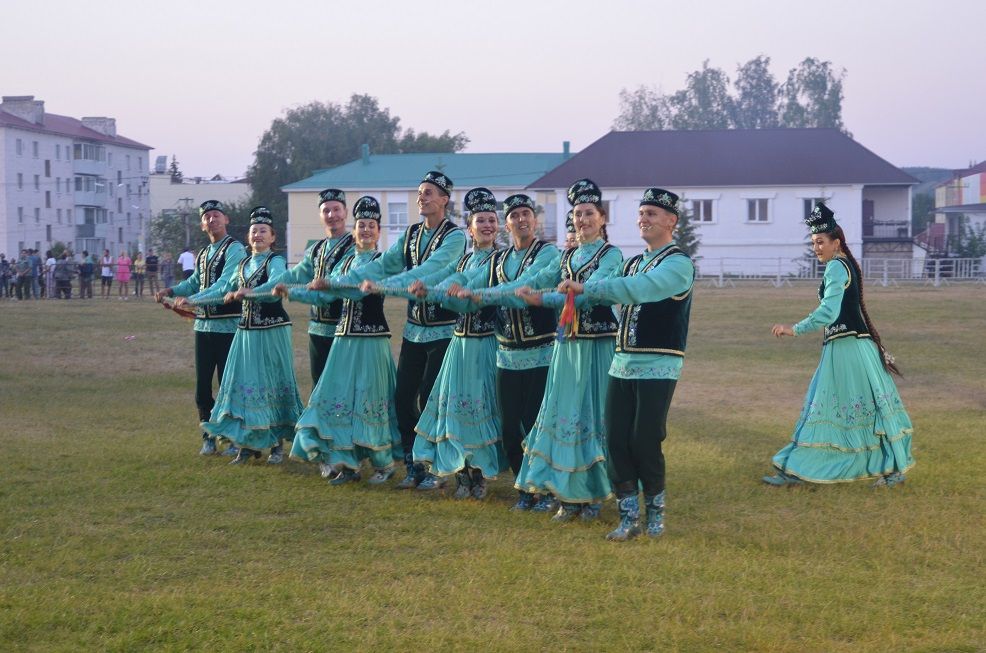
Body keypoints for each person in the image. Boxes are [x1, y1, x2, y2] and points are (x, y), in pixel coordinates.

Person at [560, 187, 695, 541]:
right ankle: (627, 514)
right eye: (641, 213)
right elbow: (603, 284)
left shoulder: (678, 263)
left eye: (652, 214)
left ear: (671, 221)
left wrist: (588, 289)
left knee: (645, 439)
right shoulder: (633, 262)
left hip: (658, 364)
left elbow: (640, 289)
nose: (644, 219)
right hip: (621, 363)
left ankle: (655, 515)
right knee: (616, 439)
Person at [763, 203, 914, 488]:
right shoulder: (844, 265)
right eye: (813, 243)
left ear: (836, 242)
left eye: (820, 242)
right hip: (850, 347)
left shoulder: (836, 266)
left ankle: (799, 469)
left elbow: (828, 312)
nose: (816, 248)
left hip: (848, 350)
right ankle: (802, 469)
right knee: (857, 409)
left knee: (828, 410)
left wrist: (793, 329)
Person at [341, 171, 467, 489]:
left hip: (441, 329)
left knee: (430, 399)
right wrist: (348, 280)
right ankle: (414, 465)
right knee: (402, 398)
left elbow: (431, 269)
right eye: (419, 192)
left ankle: (437, 469)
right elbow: (384, 264)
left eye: (428, 193)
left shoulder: (454, 237)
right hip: (414, 331)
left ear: (444, 199)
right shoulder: (410, 234)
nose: (421, 198)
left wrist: (384, 285)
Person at [513, 179, 622, 521]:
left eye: (589, 213)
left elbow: (599, 291)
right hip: (568, 347)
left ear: (602, 218)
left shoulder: (612, 255)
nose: (582, 219)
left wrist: (547, 297)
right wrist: (503, 292)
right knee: (566, 414)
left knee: (593, 414)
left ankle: (594, 495)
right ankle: (567, 494)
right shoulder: (568, 256)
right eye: (577, 214)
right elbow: (538, 279)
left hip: (597, 346)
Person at [449, 193, 561, 510]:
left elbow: (527, 285)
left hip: (540, 351)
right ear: (507, 224)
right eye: (515, 215)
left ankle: (548, 490)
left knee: (535, 424)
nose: (521, 220)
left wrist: (481, 292)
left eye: (526, 213)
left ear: (534, 219)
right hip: (506, 354)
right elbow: (471, 278)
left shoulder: (547, 253)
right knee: (510, 428)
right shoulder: (498, 260)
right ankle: (526, 490)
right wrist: (452, 285)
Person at [287, 196, 402, 484]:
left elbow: (353, 291)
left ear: (379, 232)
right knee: (337, 399)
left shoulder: (383, 263)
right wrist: (291, 291)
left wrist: (334, 284)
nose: (365, 230)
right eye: (361, 225)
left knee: (370, 400)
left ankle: (383, 464)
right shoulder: (345, 263)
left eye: (371, 226)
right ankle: (346, 463)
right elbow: (325, 295)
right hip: (343, 339)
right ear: (354, 229)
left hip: (373, 339)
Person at [408, 187, 507, 498]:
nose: (488, 225)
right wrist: (430, 290)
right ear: (470, 227)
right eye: (481, 220)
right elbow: (448, 284)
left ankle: (479, 474)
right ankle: (462, 473)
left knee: (482, 408)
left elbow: (474, 294)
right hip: (460, 344)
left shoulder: (503, 261)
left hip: (489, 344)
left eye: (492, 220)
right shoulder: (463, 262)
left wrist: (453, 293)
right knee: (456, 410)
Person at [188, 207, 302, 465]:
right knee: (245, 386)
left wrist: (247, 293)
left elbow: (276, 283)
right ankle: (247, 444)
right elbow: (222, 288)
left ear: (273, 237)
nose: (258, 235)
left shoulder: (275, 261)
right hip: (247, 331)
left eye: (263, 231)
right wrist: (193, 300)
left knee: (272, 384)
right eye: (254, 231)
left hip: (272, 330)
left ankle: (276, 445)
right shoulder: (242, 264)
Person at [156, 200, 247, 455]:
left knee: (228, 385)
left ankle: (231, 438)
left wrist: (193, 299)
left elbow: (226, 284)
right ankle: (208, 435)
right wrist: (171, 290)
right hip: (204, 327)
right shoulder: (205, 253)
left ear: (226, 219)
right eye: (207, 217)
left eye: (217, 215)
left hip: (228, 326)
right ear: (201, 223)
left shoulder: (235, 249)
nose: (212, 220)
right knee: (202, 387)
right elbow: (195, 281)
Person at [254, 188, 354, 385]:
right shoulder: (316, 249)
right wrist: (254, 292)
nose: (332, 215)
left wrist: (291, 292)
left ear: (346, 212)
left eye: (336, 209)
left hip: (346, 328)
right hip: (317, 328)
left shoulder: (354, 246)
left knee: (343, 387)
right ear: (320, 215)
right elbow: (293, 275)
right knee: (319, 388)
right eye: (326, 211)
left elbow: (331, 291)